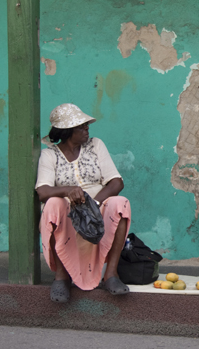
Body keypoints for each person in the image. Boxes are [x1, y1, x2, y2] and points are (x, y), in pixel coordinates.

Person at [35, 103, 132, 303]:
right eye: (82, 127)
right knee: (53, 204)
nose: (87, 130)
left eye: (86, 126)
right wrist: (67, 191)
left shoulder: (96, 145)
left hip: (98, 208)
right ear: (67, 131)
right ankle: (61, 277)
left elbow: (116, 182)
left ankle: (111, 275)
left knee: (120, 203)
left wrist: (95, 203)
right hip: (67, 214)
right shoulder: (50, 155)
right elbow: (43, 191)